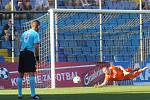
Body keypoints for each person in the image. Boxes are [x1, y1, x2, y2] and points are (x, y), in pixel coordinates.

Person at [17, 20, 40, 99]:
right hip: (29, 53)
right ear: (38, 26)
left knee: (20, 74)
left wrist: (21, 52)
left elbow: (19, 44)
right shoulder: (35, 34)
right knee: (31, 73)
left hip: (22, 53)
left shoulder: (24, 33)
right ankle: (33, 94)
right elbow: (36, 47)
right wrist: (37, 57)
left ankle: (19, 94)